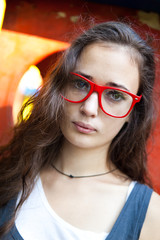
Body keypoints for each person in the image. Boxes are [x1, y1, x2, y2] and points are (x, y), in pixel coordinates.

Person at [0, 20, 160, 240]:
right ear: (61, 86)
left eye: (115, 95)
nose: (89, 108)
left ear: (132, 111)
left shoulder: (151, 216)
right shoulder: (9, 174)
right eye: (81, 83)